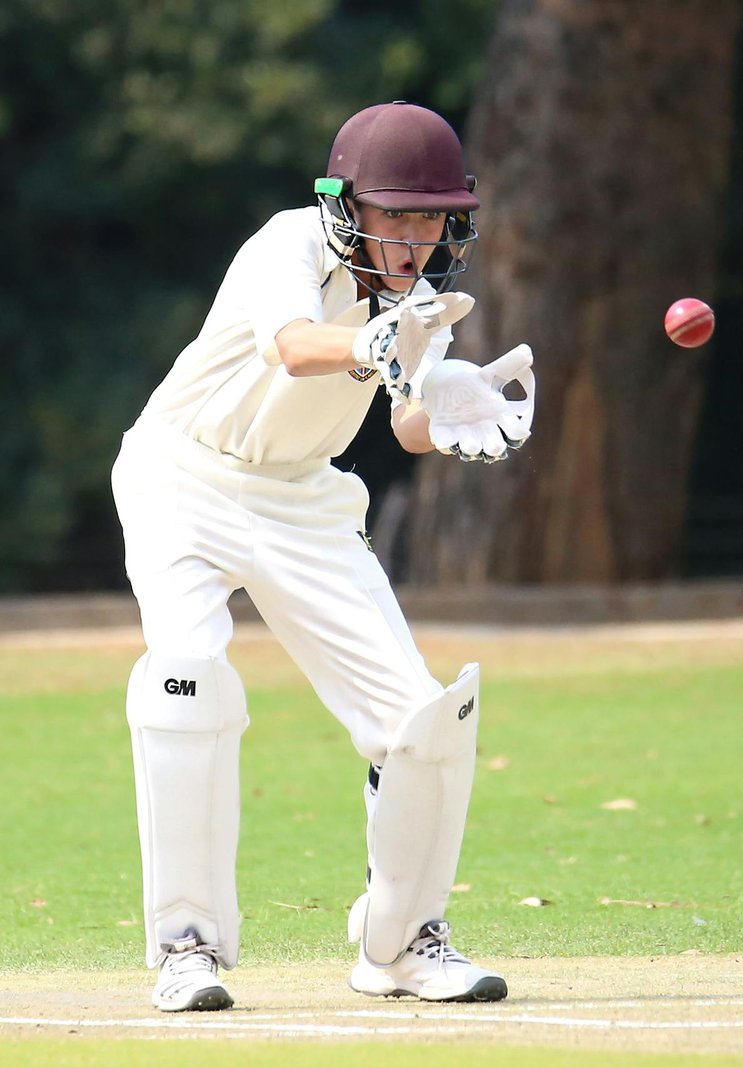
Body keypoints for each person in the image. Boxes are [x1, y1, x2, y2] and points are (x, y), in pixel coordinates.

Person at [112, 101, 535, 1012]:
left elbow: (409, 420)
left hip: (304, 500)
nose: (418, 238)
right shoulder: (286, 244)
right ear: (347, 205)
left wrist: (460, 407)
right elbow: (296, 348)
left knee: (422, 719)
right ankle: (186, 946)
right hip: (181, 476)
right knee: (185, 681)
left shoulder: (419, 298)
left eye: (434, 218)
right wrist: (373, 341)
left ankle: (403, 942)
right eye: (399, 215)